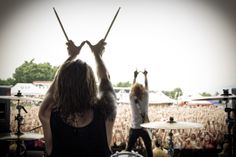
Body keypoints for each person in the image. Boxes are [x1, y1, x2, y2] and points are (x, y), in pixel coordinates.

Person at [38, 39, 117, 157]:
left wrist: (72, 56)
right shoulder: (106, 112)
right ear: (91, 86)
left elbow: (51, 90)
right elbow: (105, 80)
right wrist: (97, 55)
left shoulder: (46, 113)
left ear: (61, 85)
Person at [126, 69, 153, 157]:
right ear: (142, 90)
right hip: (145, 127)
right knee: (149, 150)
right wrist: (145, 76)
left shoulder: (131, 97)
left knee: (128, 149)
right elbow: (147, 86)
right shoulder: (146, 96)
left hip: (135, 127)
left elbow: (131, 89)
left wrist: (134, 77)